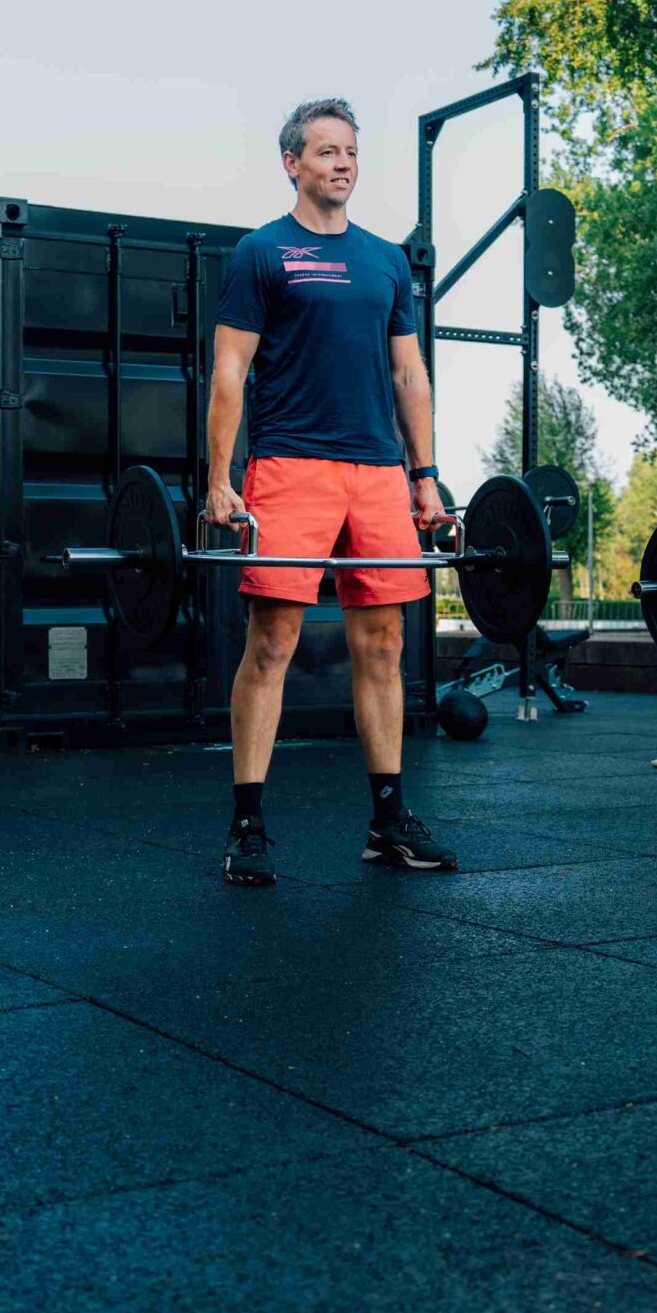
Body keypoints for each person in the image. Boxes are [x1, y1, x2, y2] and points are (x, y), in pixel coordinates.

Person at [207, 98, 456, 888]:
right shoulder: (262, 253)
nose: (342, 163)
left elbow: (409, 373)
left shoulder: (386, 261)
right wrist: (219, 479)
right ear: (292, 163)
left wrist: (424, 475)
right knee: (273, 643)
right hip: (290, 466)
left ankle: (388, 823)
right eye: (325, 152)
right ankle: (248, 824)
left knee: (383, 645)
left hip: (378, 472)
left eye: (349, 151)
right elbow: (230, 371)